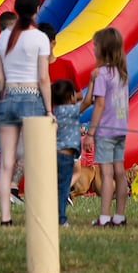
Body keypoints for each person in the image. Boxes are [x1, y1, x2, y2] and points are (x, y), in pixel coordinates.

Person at [0, 0, 51, 226]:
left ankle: (5, 217)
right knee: (34, 159)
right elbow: (43, 78)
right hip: (31, 97)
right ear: (37, 9)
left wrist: (1, 99)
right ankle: (36, 214)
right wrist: (48, 110)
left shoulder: (3, 37)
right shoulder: (40, 38)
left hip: (8, 97)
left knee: (7, 161)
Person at [83, 26, 130, 227]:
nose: (93, 49)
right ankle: (119, 215)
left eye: (95, 45)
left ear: (103, 48)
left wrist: (90, 133)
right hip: (120, 129)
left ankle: (104, 217)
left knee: (106, 173)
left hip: (105, 131)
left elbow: (99, 104)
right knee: (120, 172)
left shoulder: (102, 74)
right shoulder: (121, 73)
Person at [51, 78, 81, 226]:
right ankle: (61, 218)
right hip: (66, 157)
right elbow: (87, 103)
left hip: (54, 155)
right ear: (70, 97)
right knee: (63, 188)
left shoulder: (55, 111)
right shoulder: (71, 110)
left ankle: (49, 214)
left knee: (53, 186)